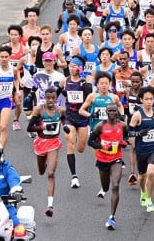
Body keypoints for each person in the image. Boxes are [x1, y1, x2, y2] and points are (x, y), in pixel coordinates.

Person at [88, 103, 129, 230]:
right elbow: (91, 141)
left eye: (114, 111)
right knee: (106, 187)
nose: (112, 113)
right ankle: (103, 189)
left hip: (116, 158)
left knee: (115, 185)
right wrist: (101, 147)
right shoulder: (100, 126)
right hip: (102, 159)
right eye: (110, 111)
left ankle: (112, 217)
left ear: (117, 112)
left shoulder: (122, 125)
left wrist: (124, 142)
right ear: (106, 112)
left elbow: (126, 137)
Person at [26, 87, 67, 218]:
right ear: (45, 98)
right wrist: (41, 127)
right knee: (41, 171)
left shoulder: (60, 110)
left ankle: (50, 206)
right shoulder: (39, 110)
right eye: (48, 98)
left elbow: (65, 119)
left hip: (54, 143)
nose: (50, 101)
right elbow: (29, 127)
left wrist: (65, 126)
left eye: (53, 98)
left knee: (50, 173)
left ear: (56, 99)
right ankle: (44, 163)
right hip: (41, 143)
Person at [58, 56, 93, 188]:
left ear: (80, 68)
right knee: (70, 143)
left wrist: (85, 83)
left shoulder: (86, 80)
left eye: (74, 66)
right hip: (69, 116)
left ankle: (81, 136)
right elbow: (55, 95)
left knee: (81, 149)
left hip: (83, 117)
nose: (71, 68)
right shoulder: (65, 81)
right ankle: (74, 177)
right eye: (70, 66)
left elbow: (90, 94)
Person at [128, 86, 154, 212]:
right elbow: (129, 133)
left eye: (151, 99)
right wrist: (138, 134)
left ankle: (148, 199)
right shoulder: (137, 115)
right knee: (142, 176)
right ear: (141, 100)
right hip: (141, 149)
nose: (149, 101)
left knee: (151, 172)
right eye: (146, 99)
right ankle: (143, 192)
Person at [0, 45, 22, 148]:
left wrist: (17, 90)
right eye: (1, 57)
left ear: (9, 57)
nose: (4, 59)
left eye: (6, 56)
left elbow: (16, 79)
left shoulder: (13, 69)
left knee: (3, 127)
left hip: (6, 100)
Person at [0, 141, 24, 230]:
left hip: (4, 206)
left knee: (19, 229)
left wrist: (16, 189)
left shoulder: (6, 167)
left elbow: (13, 178)